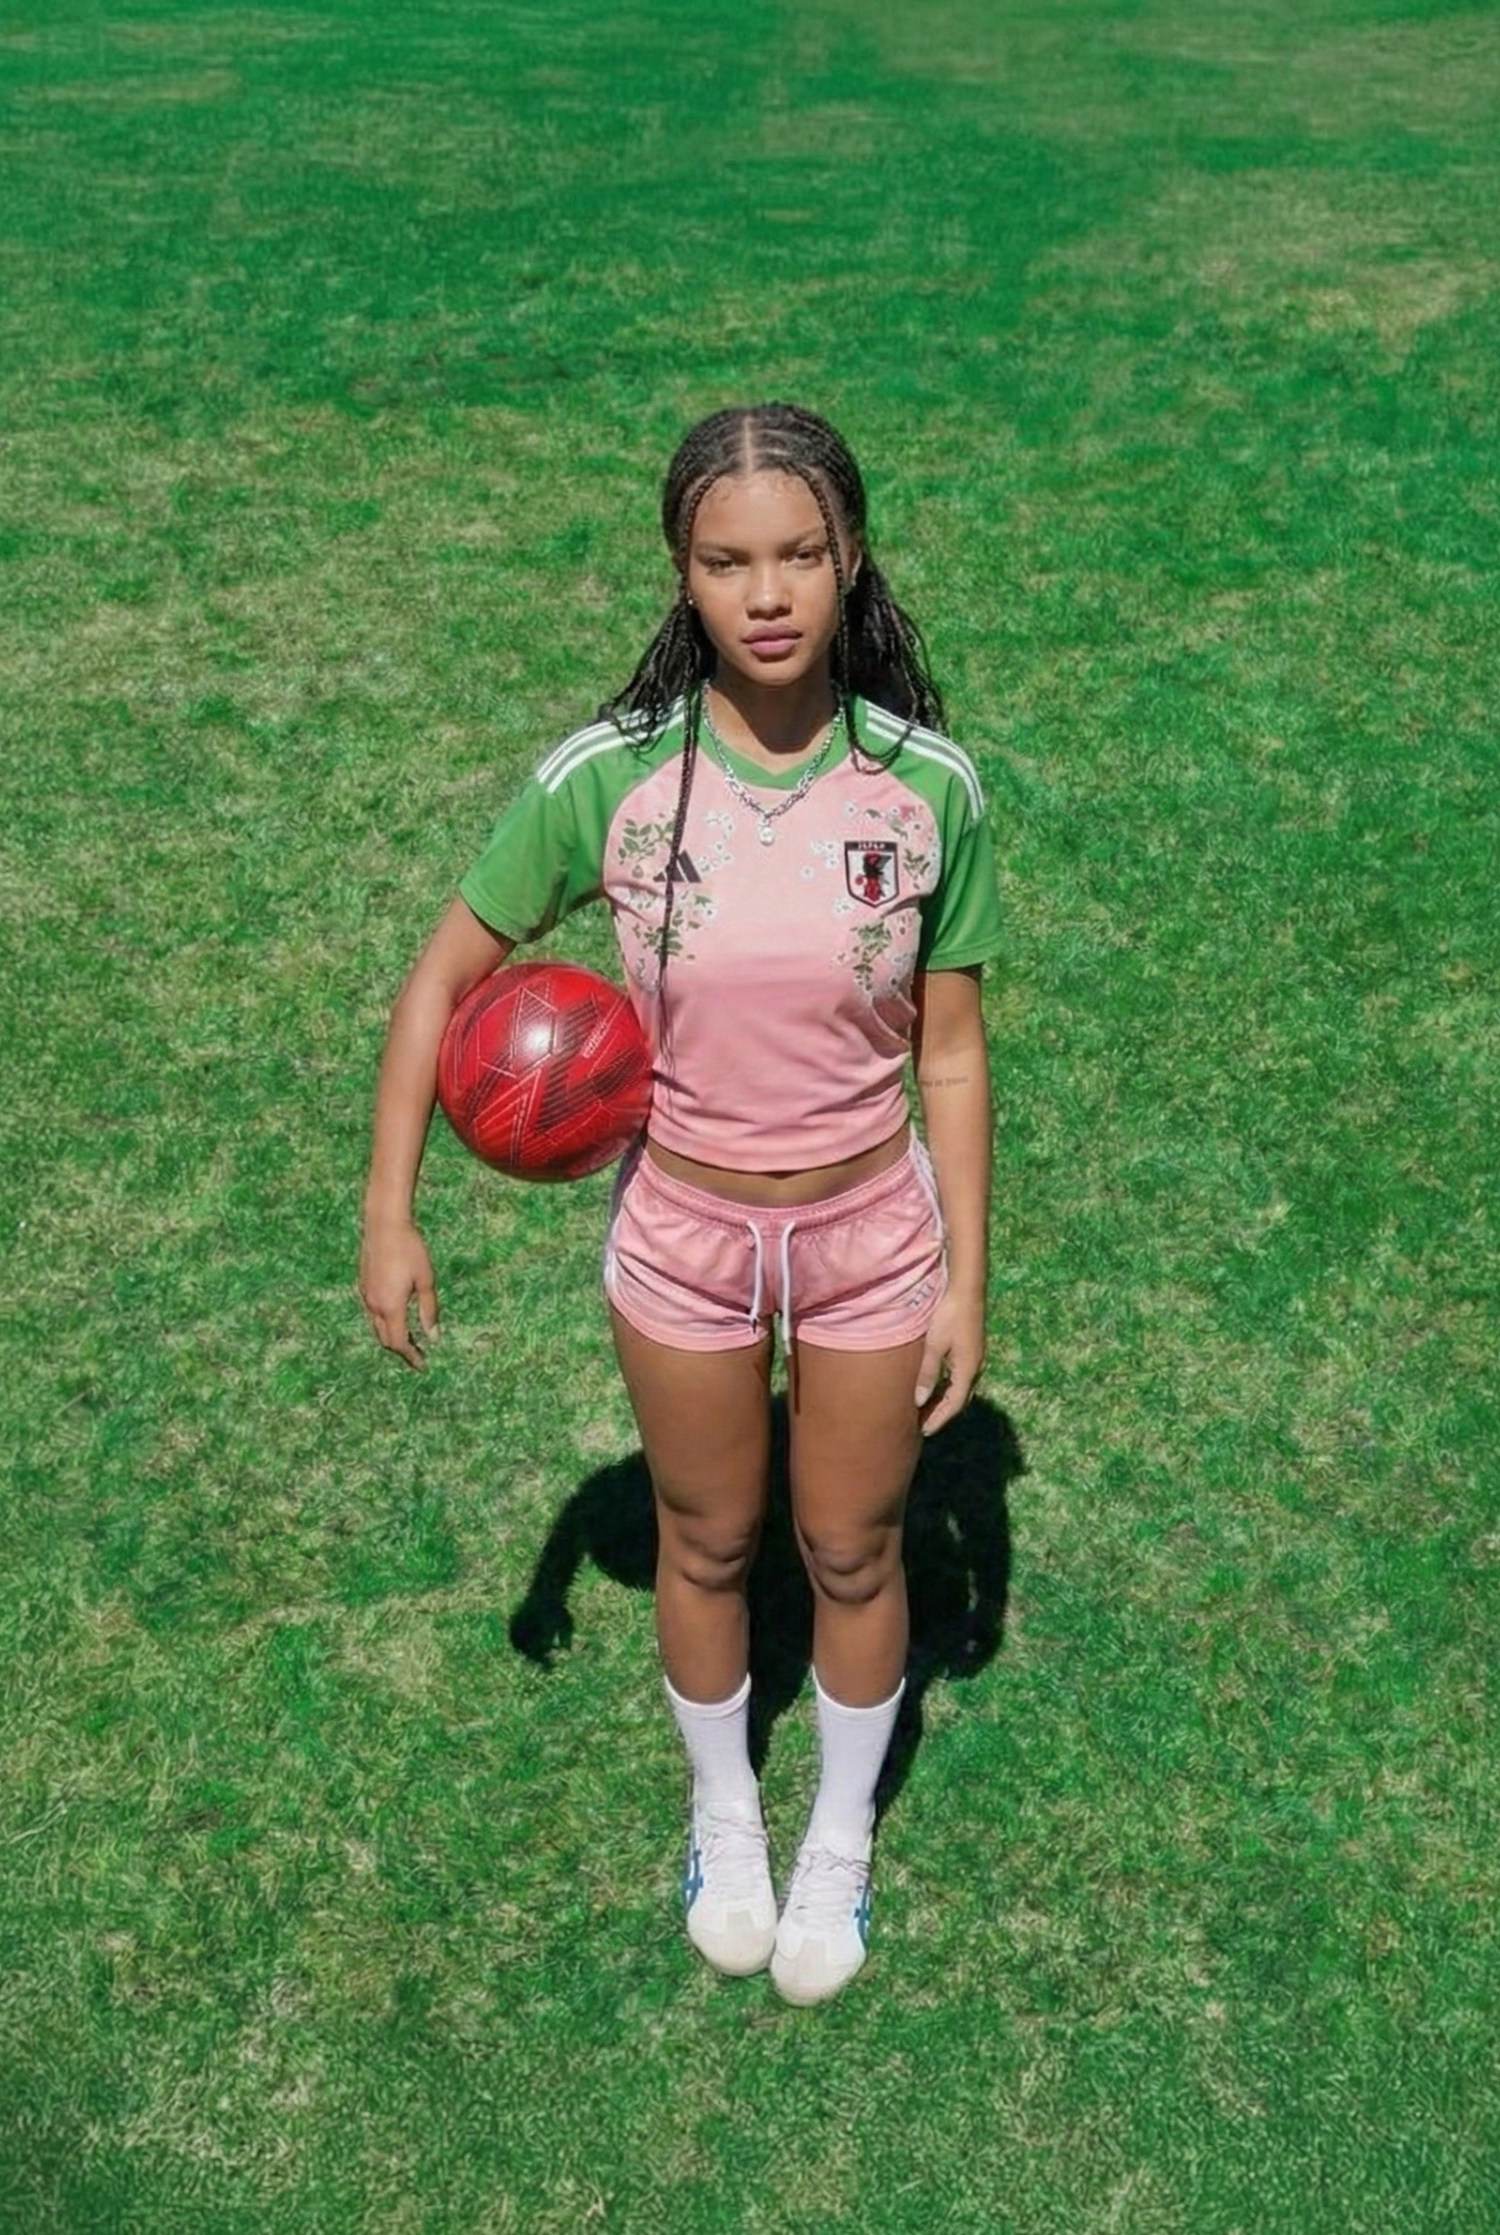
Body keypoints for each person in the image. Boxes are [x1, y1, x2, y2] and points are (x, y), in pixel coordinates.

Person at [359, 402, 1003, 2005]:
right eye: (729, 561)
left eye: (799, 554)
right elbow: (444, 974)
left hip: (867, 1234)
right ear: (683, 574)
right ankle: (729, 1816)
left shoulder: (927, 788)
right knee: (705, 1536)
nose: (768, 592)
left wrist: (967, 1276)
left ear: (852, 561)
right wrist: (393, 1207)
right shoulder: (615, 781)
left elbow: (956, 1054)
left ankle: (835, 1841)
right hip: (688, 1236)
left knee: (851, 1547)